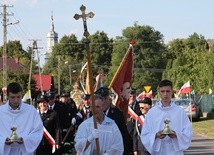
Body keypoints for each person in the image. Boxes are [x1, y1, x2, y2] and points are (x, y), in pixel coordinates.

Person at [141, 79, 192, 155]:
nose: (165, 94)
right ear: (159, 92)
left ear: (172, 92)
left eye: (168, 91)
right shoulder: (152, 112)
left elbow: (188, 133)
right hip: (159, 151)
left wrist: (176, 134)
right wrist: (155, 135)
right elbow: (145, 134)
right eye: (163, 91)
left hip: (175, 151)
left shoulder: (180, 112)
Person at [0, 82, 43, 155]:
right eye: (12, 97)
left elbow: (38, 131)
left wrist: (25, 140)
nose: (16, 100)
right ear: (7, 96)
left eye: (18, 97)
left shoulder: (31, 111)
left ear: (22, 95)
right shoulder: (1, 111)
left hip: (24, 152)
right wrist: (3, 141)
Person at [95, 87, 131, 155]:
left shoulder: (117, 114)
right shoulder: (94, 114)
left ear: (108, 99)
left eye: (104, 99)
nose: (102, 103)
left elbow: (123, 135)